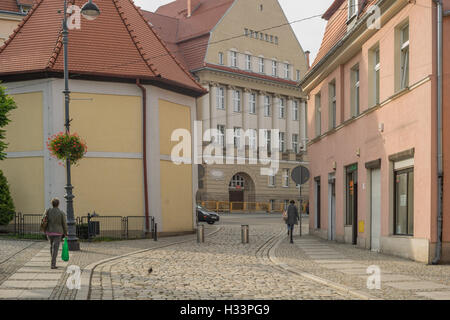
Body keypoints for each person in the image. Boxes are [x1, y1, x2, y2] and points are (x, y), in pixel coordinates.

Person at [42, 198, 68, 269]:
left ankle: (52, 260)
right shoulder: (61, 213)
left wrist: (44, 229)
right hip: (58, 233)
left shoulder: (48, 211)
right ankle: (53, 264)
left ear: (52, 204)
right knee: (55, 248)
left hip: (49, 232)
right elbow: (64, 224)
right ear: (58, 204)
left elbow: (43, 219)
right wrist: (66, 233)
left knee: (51, 246)